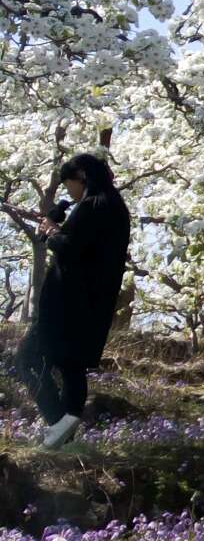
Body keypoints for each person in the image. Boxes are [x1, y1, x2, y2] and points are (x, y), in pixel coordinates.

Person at [16, 154, 131, 450]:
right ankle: (64, 434)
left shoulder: (93, 207)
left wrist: (51, 232)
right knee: (71, 367)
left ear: (82, 179)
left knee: (25, 360)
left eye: (69, 187)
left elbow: (69, 249)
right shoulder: (116, 208)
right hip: (90, 304)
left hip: (66, 302)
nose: (70, 194)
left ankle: (59, 422)